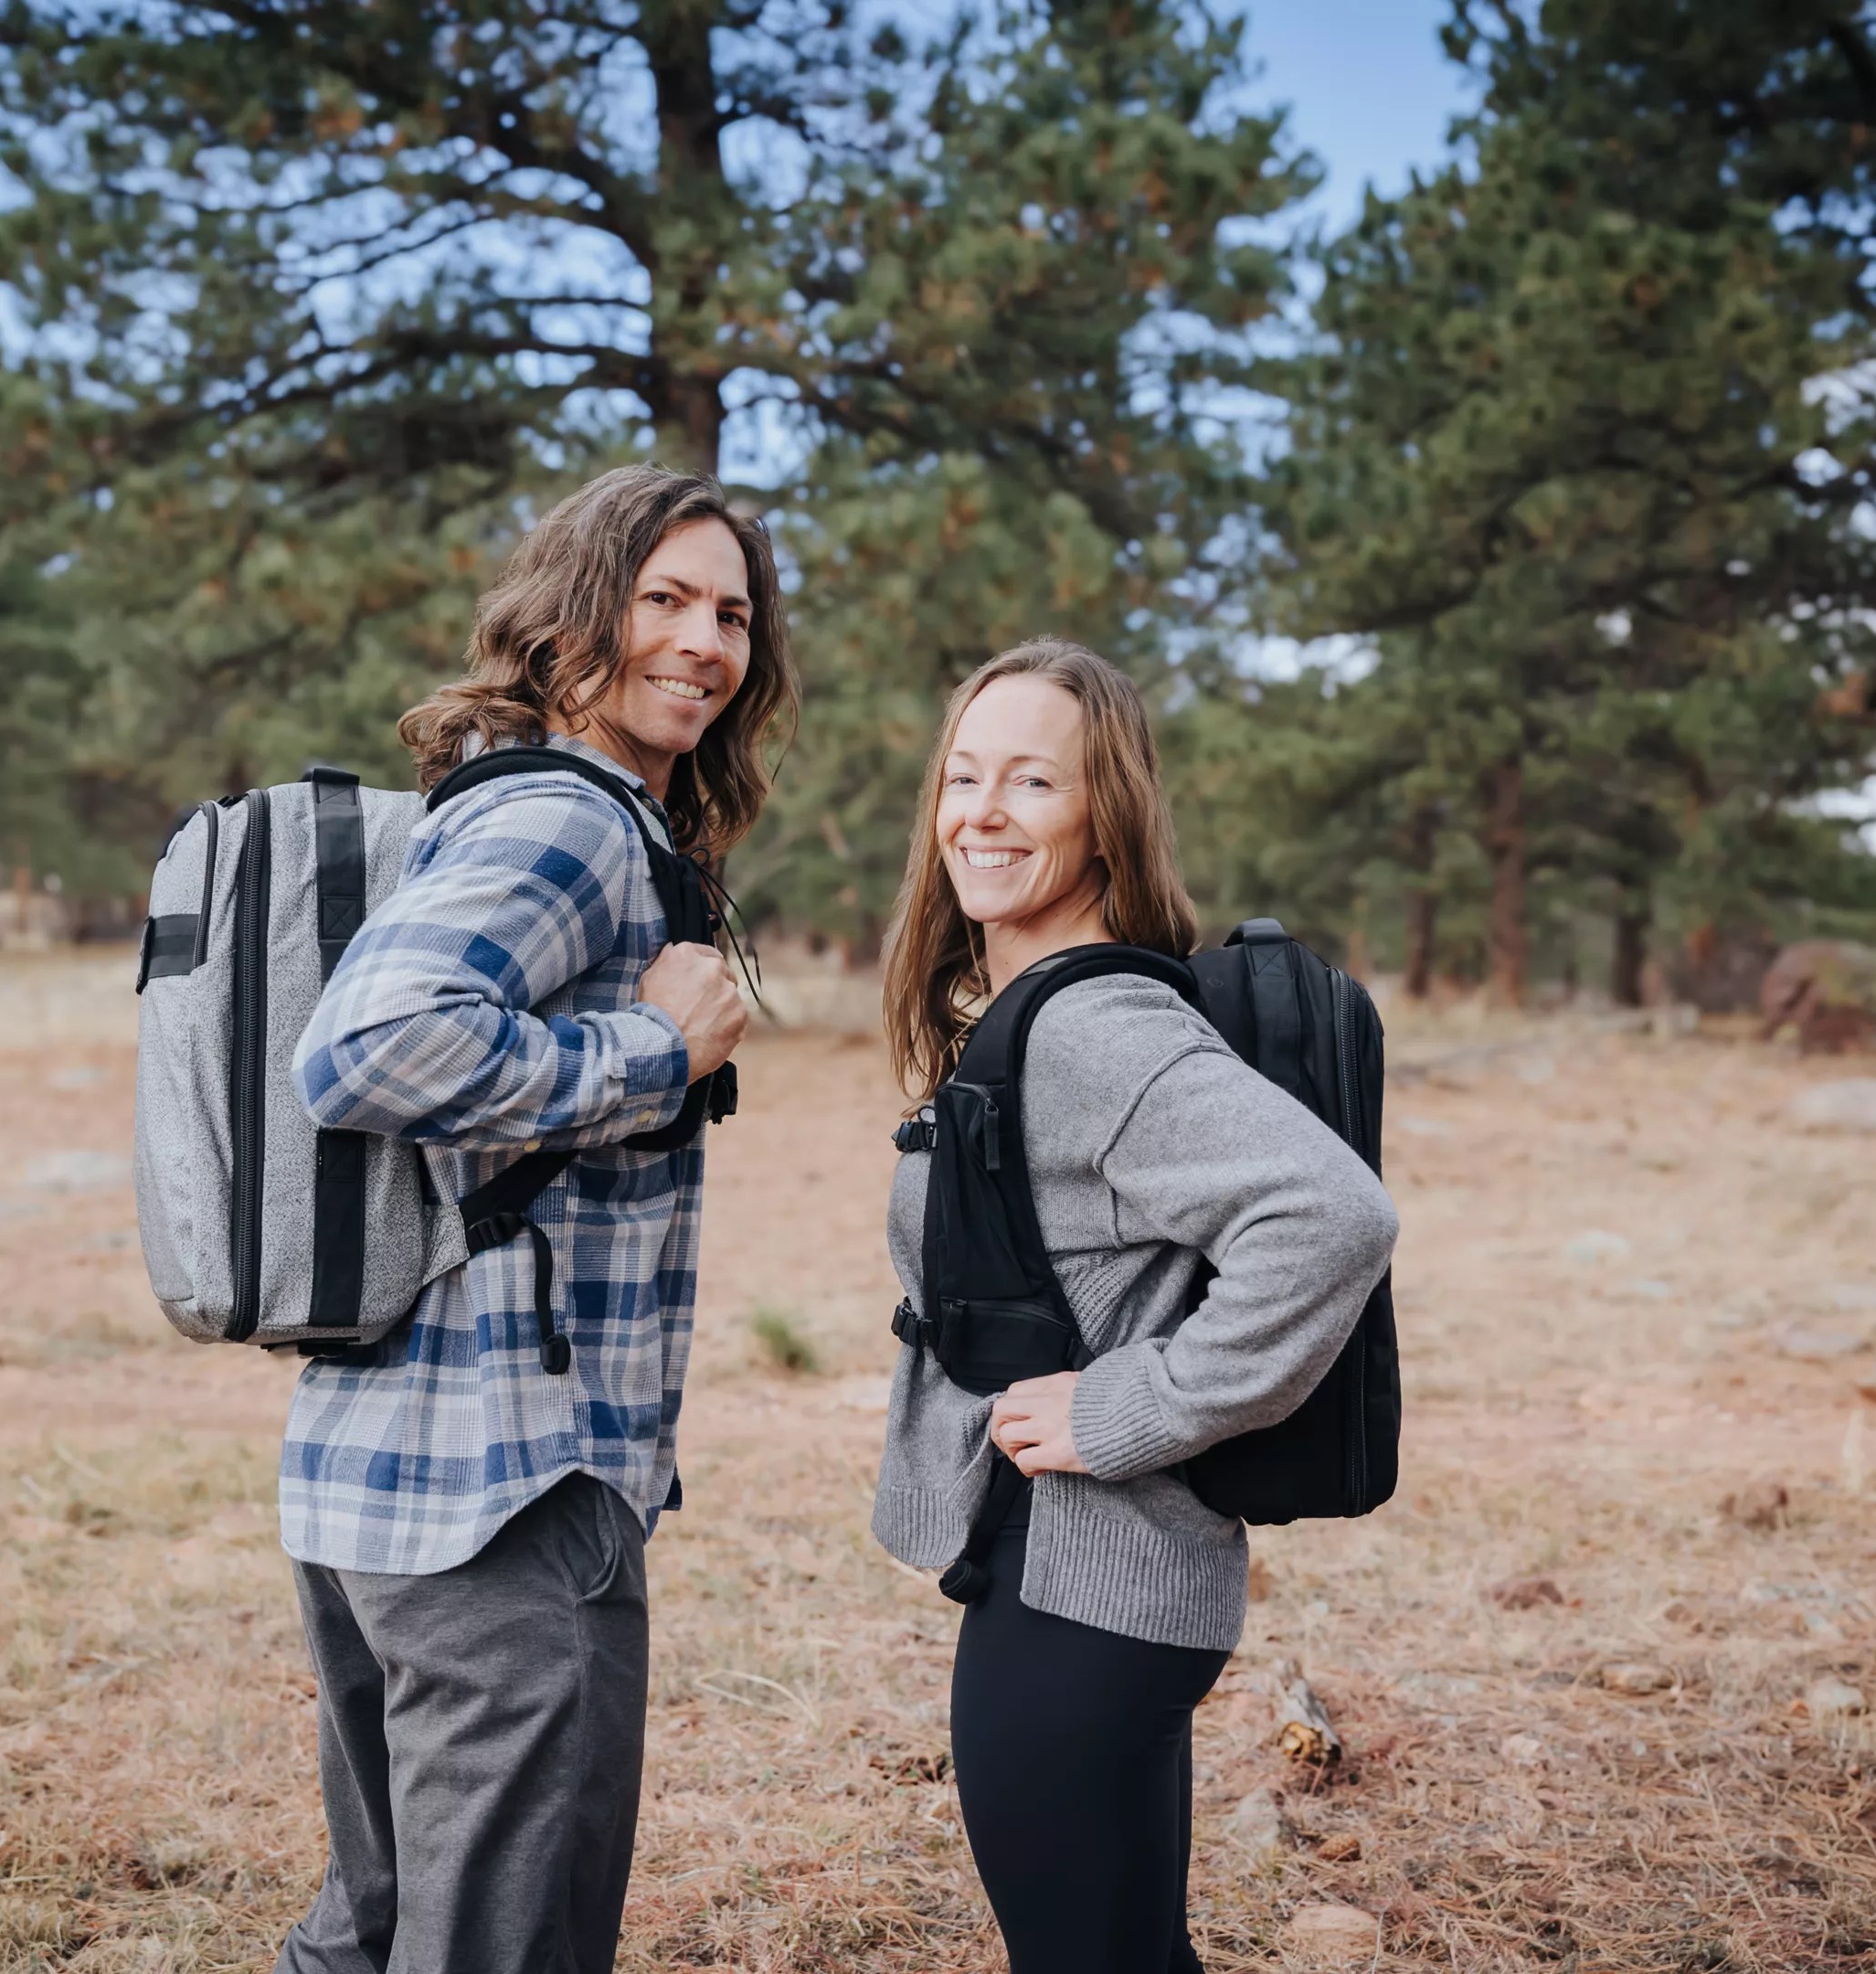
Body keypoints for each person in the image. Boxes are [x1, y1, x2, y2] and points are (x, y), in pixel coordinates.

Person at [277, 465, 792, 1974]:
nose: (706, 642)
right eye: (666, 600)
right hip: (510, 1487)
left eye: (734, 614)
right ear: (578, 617)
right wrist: (659, 1054)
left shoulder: (504, 803)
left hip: (379, 1466)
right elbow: (363, 1051)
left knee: (368, 1937)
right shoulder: (569, 825)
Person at [872, 640, 1398, 1974]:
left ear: (1105, 814)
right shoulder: (1044, 1007)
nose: (981, 813)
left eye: (1033, 782)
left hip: (1087, 1601)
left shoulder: (1101, 1030)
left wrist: (1132, 1407)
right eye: (965, 775)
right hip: (1088, 1592)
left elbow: (1330, 1217)